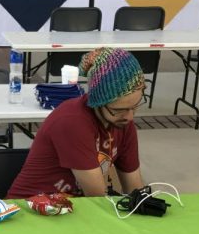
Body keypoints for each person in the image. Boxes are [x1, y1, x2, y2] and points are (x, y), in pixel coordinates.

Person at [8, 47, 145, 198]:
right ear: (97, 102)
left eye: (134, 106)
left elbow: (136, 191)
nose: (130, 117)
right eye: (119, 109)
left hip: (69, 210)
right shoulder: (72, 122)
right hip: (29, 211)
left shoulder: (122, 122)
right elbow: (97, 197)